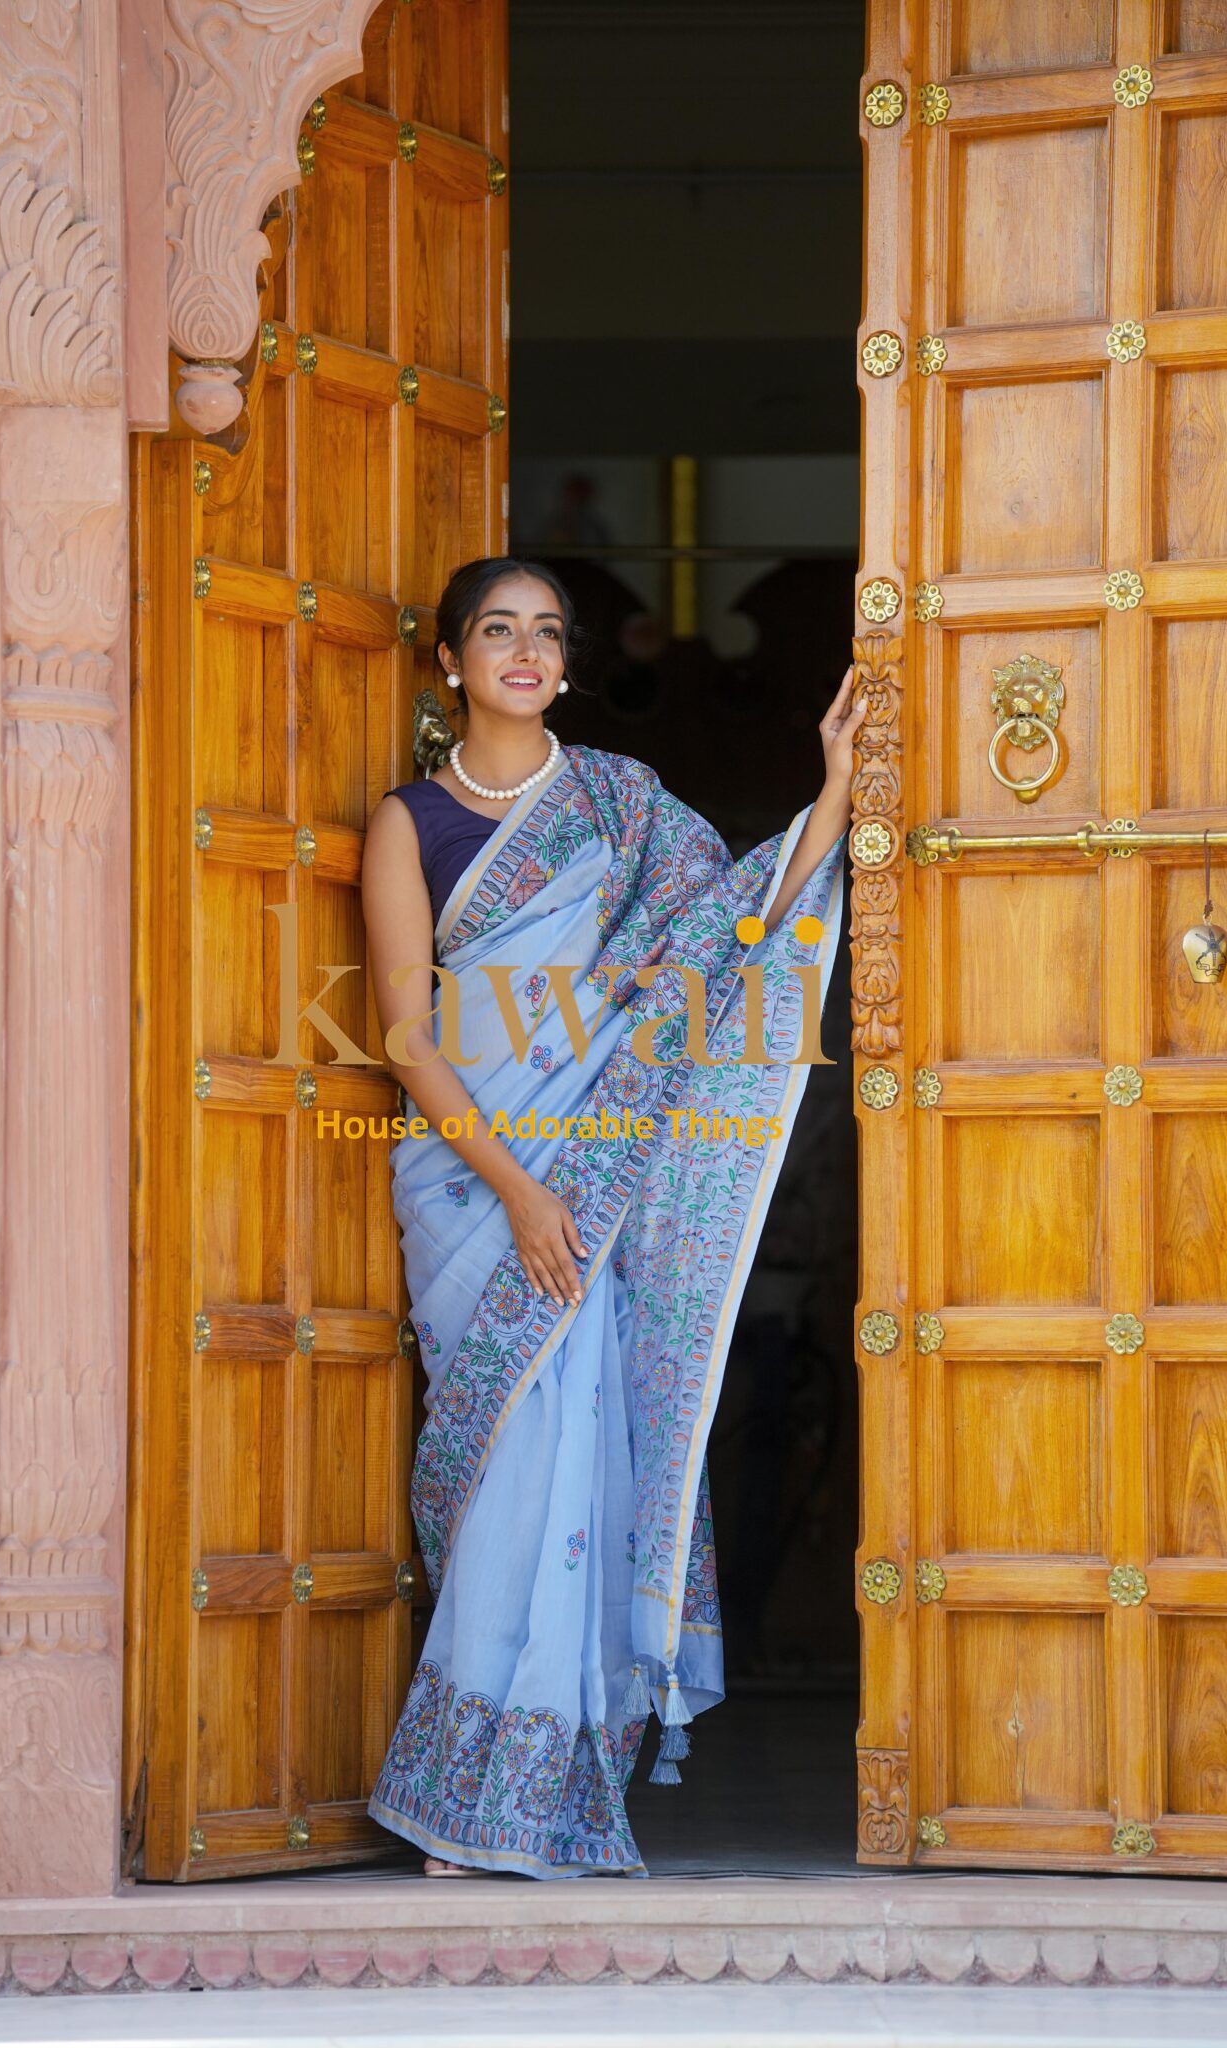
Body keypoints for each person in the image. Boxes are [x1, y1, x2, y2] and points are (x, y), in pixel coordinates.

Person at [360, 556, 863, 1877]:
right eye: (495, 631)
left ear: (570, 664)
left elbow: (729, 929)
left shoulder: (619, 805)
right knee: (497, 1475)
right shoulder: (409, 822)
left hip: (586, 1170)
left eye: (545, 634)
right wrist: (521, 1194)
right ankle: (460, 1793)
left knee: (570, 1468)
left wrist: (833, 790)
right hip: (472, 1183)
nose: (522, 652)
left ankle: (539, 1792)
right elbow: (409, 1037)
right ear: (452, 658)